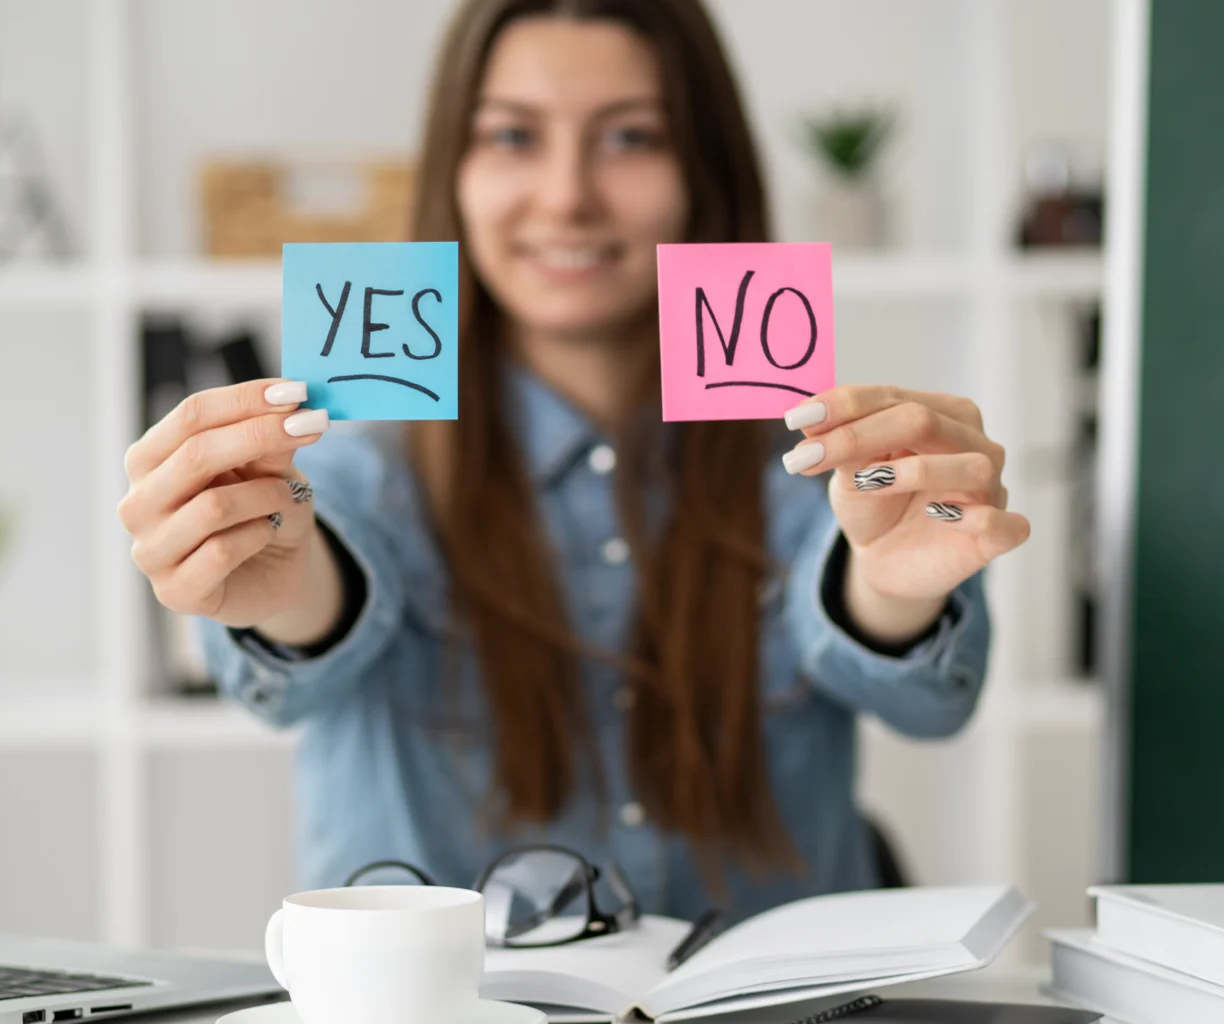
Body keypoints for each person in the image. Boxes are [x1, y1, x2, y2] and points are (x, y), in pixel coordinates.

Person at [117, 0, 1029, 924]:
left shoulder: (812, 461)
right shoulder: (358, 471)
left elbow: (921, 691)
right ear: (454, 172)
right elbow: (319, 586)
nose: (566, 197)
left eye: (630, 137)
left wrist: (894, 582)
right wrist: (268, 572)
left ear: (703, 170)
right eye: (512, 135)